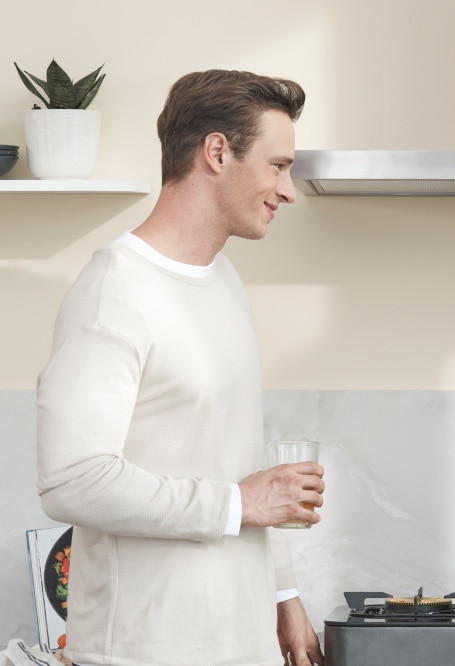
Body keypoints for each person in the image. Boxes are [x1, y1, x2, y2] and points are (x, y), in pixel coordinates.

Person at [36, 70, 326, 666]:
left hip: (242, 646)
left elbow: (236, 464)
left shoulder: (223, 280)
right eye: (277, 166)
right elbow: (71, 480)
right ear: (217, 152)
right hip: (144, 652)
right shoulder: (114, 291)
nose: (289, 189)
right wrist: (237, 505)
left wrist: (283, 592)